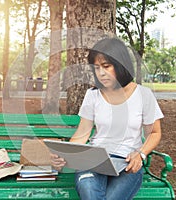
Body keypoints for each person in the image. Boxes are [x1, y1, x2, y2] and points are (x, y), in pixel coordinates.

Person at [51, 37, 164, 200]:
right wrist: (66, 154)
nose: (101, 73)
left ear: (120, 64)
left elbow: (154, 132)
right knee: (89, 192)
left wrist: (141, 154)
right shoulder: (93, 95)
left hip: (127, 163)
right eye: (96, 68)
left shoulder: (143, 95)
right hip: (93, 160)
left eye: (106, 66)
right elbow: (82, 134)